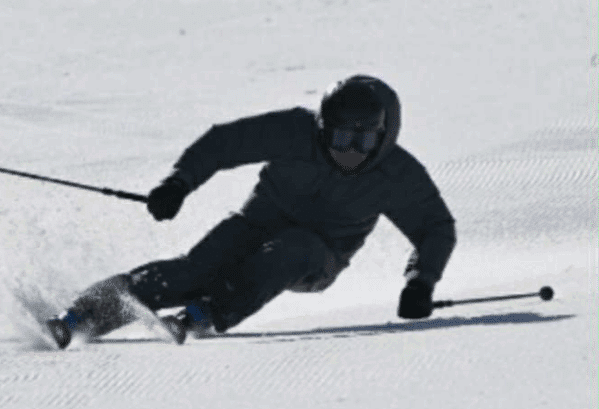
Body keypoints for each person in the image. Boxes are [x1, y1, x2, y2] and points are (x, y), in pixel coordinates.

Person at [46, 75, 456, 347]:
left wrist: (420, 283)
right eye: (340, 137)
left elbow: (435, 227)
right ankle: (82, 315)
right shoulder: (294, 132)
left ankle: (208, 313)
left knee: (293, 248)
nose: (349, 151)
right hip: (254, 225)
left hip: (319, 255)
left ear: (383, 138)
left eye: (362, 141)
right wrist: (178, 183)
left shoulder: (396, 174)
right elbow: (224, 143)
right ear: (323, 128)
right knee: (193, 270)